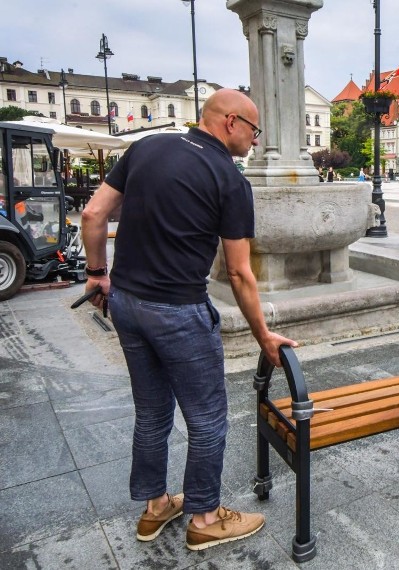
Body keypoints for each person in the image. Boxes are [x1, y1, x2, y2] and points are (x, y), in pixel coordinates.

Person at [80, 89, 298, 551]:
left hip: (127, 303)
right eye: (254, 132)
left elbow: (94, 213)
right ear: (231, 122)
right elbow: (239, 272)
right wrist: (263, 336)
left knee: (153, 412)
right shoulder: (230, 180)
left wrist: (97, 273)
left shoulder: (146, 148)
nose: (255, 143)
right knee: (207, 418)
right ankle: (204, 515)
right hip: (178, 311)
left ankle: (155, 506)